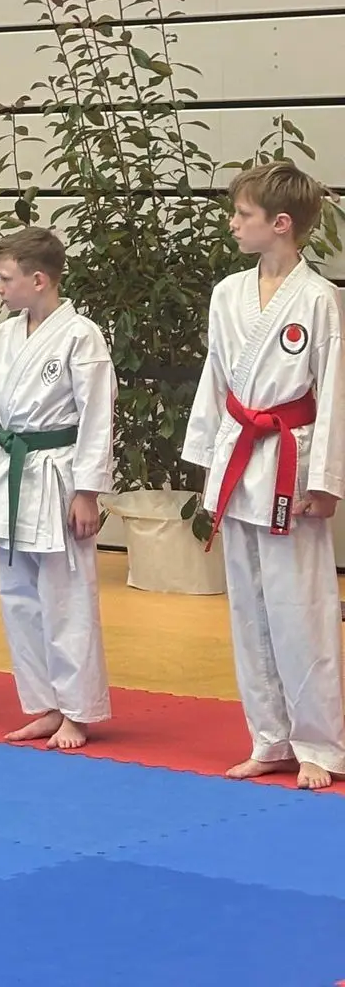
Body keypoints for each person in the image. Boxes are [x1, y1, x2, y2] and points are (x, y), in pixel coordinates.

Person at [183, 162, 345, 789]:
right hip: (239, 453)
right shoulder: (228, 293)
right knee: (249, 608)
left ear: (280, 223)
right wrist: (207, 462)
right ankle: (270, 737)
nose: (232, 223)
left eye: (242, 214)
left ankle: (320, 745)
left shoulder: (319, 298)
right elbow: (215, 379)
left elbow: (332, 392)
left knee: (301, 608)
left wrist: (325, 481)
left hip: (289, 463)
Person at [0, 227, 115, 751]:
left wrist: (87, 491)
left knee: (66, 597)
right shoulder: (5, 335)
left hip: (58, 472)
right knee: (17, 595)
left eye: (6, 278)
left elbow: (97, 417)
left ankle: (78, 710)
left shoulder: (81, 336)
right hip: (11, 468)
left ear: (38, 280)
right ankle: (45, 704)